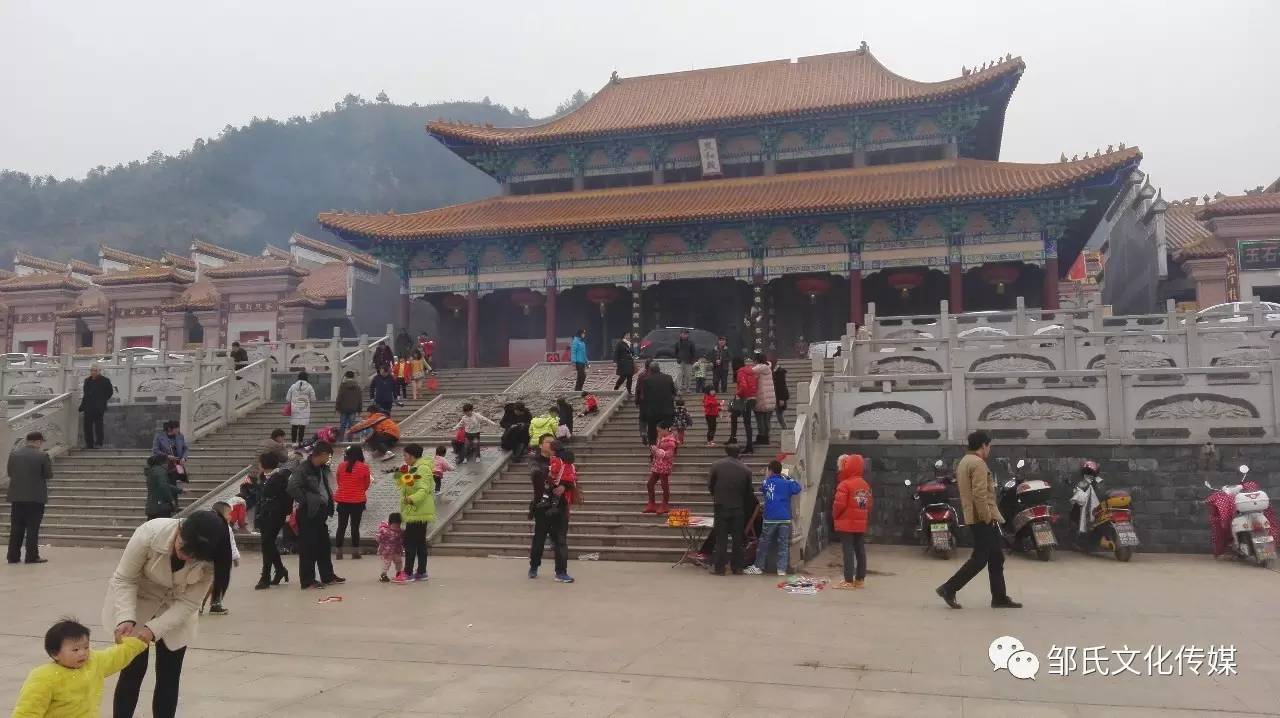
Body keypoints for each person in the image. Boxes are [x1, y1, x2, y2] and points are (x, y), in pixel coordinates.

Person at [106, 510, 232, 718]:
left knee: (169, 676)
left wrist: (154, 629)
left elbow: (191, 601)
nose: (186, 555)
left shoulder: (211, 558)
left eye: (194, 555)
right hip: (139, 601)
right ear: (180, 528)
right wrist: (126, 617)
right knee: (132, 671)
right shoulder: (150, 534)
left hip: (176, 609)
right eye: (183, 547)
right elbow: (124, 579)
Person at [937, 431, 1022, 610]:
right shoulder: (978, 464)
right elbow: (979, 495)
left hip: (973, 516)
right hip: (982, 518)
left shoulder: (964, 462)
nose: (989, 449)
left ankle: (999, 597)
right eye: (989, 446)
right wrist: (988, 517)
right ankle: (949, 588)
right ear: (983, 445)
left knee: (996, 557)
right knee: (980, 559)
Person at [12, 618, 149, 717]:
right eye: (75, 649)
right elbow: (27, 712)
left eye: (86, 647)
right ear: (55, 653)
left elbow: (116, 656)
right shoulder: (43, 677)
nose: (83, 652)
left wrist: (136, 643)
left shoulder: (94, 662)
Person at [287, 441, 345, 590]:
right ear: (323, 454)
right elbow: (292, 487)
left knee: (323, 545)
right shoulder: (303, 469)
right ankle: (307, 580)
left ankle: (327, 575)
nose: (329, 459)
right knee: (308, 547)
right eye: (329, 456)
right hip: (308, 513)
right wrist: (306, 501)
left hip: (321, 512)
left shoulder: (321, 468)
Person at [528, 435, 576, 583]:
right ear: (541, 446)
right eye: (548, 442)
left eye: (553, 441)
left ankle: (561, 572)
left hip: (560, 506)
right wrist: (552, 474)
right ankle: (534, 565)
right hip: (542, 506)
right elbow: (537, 474)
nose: (551, 444)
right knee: (539, 539)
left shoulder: (563, 460)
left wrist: (564, 485)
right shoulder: (535, 462)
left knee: (561, 540)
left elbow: (572, 478)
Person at [743, 460, 802, 576]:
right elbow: (797, 488)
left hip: (770, 517)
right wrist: (788, 478)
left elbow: (762, 488)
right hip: (785, 518)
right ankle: (781, 569)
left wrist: (766, 476)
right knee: (783, 544)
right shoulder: (787, 483)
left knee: (764, 543)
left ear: (770, 470)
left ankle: (758, 566)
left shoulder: (767, 482)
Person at [707, 444, 754, 575]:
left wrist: (717, 496)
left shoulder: (716, 465)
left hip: (721, 506)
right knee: (737, 539)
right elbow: (749, 492)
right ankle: (737, 567)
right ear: (739, 453)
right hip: (738, 508)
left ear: (726, 452)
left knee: (721, 538)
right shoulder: (746, 470)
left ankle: (720, 568)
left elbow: (710, 485)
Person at [7, 431, 52, 565]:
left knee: (16, 526)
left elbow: (10, 472)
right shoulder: (43, 455)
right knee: (33, 527)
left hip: (17, 497)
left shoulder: (14, 454)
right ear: (38, 441)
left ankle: (13, 556)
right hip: (35, 498)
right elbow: (48, 474)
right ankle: (31, 556)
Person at [832, 453, 872, 589]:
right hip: (860, 524)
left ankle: (848, 581)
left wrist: (835, 516)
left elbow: (839, 505)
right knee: (860, 550)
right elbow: (869, 504)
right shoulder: (865, 485)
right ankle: (860, 579)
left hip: (846, 523)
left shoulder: (844, 484)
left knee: (847, 551)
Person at [254, 451, 291, 590]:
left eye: (259, 462)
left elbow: (286, 498)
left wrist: (286, 514)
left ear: (264, 464)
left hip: (275, 516)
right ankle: (280, 570)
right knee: (268, 544)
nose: (258, 465)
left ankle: (265, 576)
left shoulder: (280, 478)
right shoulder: (263, 477)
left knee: (267, 543)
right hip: (264, 515)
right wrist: (257, 519)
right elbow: (259, 500)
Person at [400, 443, 436, 581]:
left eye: (406, 455)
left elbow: (423, 489)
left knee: (410, 542)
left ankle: (408, 573)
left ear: (413, 455)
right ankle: (421, 572)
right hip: (418, 510)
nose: (404, 458)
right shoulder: (416, 468)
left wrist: (411, 499)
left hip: (417, 511)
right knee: (420, 542)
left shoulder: (422, 469)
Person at [334, 445, 371, 561]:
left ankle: (338, 552)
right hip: (357, 501)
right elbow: (366, 484)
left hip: (342, 500)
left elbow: (339, 481)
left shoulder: (341, 466)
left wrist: (346, 490)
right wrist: (358, 490)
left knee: (341, 526)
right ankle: (355, 553)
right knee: (355, 527)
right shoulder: (364, 467)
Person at [203, 501, 240, 616]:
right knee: (206, 583)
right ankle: (200, 604)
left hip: (220, 562)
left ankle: (215, 604)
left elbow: (231, 543)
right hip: (209, 561)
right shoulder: (210, 525)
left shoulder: (226, 528)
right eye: (229, 514)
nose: (230, 517)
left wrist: (235, 556)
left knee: (217, 583)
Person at [640, 362, 677, 446]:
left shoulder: (647, 380)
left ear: (650, 370)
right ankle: (669, 449)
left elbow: (645, 398)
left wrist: (643, 414)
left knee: (652, 433)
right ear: (659, 369)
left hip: (653, 412)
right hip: (667, 411)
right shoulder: (668, 378)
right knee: (667, 431)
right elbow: (674, 392)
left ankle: (654, 452)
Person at [644, 422, 678, 514]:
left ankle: (665, 504)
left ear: (666, 429)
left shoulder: (671, 441)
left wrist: (658, 451)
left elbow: (669, 454)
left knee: (664, 485)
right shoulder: (660, 439)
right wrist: (653, 450)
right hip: (657, 465)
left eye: (659, 431)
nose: (658, 433)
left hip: (665, 466)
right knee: (650, 484)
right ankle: (652, 503)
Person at [78, 365, 114, 449]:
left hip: (99, 407)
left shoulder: (105, 381)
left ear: (99, 371)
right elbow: (85, 394)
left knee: (98, 426)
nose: (93, 372)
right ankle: (89, 444)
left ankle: (99, 443)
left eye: (95, 370)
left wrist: (102, 400)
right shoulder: (87, 380)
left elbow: (110, 392)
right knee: (87, 426)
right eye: (92, 370)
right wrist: (82, 406)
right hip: (88, 407)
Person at [729, 356, 758, 454]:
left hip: (743, 399)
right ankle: (744, 443)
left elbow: (743, 386)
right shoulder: (751, 371)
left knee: (735, 415)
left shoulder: (740, 372)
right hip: (752, 398)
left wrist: (738, 394)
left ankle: (736, 439)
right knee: (746, 422)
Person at [152, 421, 189, 492]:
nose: (178, 430)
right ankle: (167, 500)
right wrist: (167, 456)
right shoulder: (159, 436)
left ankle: (174, 501)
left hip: (176, 464)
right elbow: (155, 450)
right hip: (164, 464)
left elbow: (185, 448)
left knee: (173, 483)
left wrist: (184, 458)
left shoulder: (180, 436)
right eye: (177, 428)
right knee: (165, 484)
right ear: (170, 429)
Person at [144, 455, 180, 521]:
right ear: (163, 462)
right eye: (168, 462)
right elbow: (164, 486)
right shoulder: (161, 472)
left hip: (151, 506)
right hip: (161, 507)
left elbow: (165, 485)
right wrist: (171, 500)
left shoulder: (152, 471)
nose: (168, 465)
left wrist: (180, 490)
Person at [285, 370, 315, 445]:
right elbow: (313, 399)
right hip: (304, 408)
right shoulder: (309, 386)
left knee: (294, 425)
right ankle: (300, 441)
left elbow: (288, 398)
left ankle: (294, 442)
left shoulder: (293, 386)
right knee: (302, 426)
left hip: (295, 407)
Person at [751, 353, 775, 445]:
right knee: (766, 420)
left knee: (760, 420)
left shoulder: (760, 368)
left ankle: (761, 438)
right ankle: (766, 438)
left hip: (762, 398)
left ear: (757, 360)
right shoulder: (768, 367)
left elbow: (749, 371)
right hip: (770, 398)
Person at [376, 512, 406, 583]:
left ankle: (399, 573)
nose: (396, 526)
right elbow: (378, 537)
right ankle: (383, 575)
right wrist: (382, 543)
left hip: (396, 550)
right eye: (394, 524)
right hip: (387, 551)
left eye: (398, 524)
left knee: (399, 562)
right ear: (390, 523)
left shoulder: (400, 531)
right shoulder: (384, 530)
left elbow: (402, 540)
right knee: (386, 563)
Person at [335, 370, 363, 435]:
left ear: (346, 377)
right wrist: (359, 410)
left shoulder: (343, 386)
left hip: (343, 408)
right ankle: (350, 441)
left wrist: (337, 408)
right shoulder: (357, 387)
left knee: (342, 425)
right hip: (353, 409)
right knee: (351, 426)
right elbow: (359, 399)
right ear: (353, 377)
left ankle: (341, 440)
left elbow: (339, 397)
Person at [634, 360, 652, 444]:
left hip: (643, 400)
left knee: (642, 419)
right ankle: (651, 435)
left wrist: (636, 400)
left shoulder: (641, 375)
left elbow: (637, 388)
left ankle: (643, 433)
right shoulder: (655, 375)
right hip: (653, 401)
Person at [772, 360, 790, 430]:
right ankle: (785, 429)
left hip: (780, 397)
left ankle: (786, 430)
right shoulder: (777, 372)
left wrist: (782, 399)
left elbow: (782, 386)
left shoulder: (779, 373)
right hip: (777, 396)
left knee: (779, 415)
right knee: (779, 415)